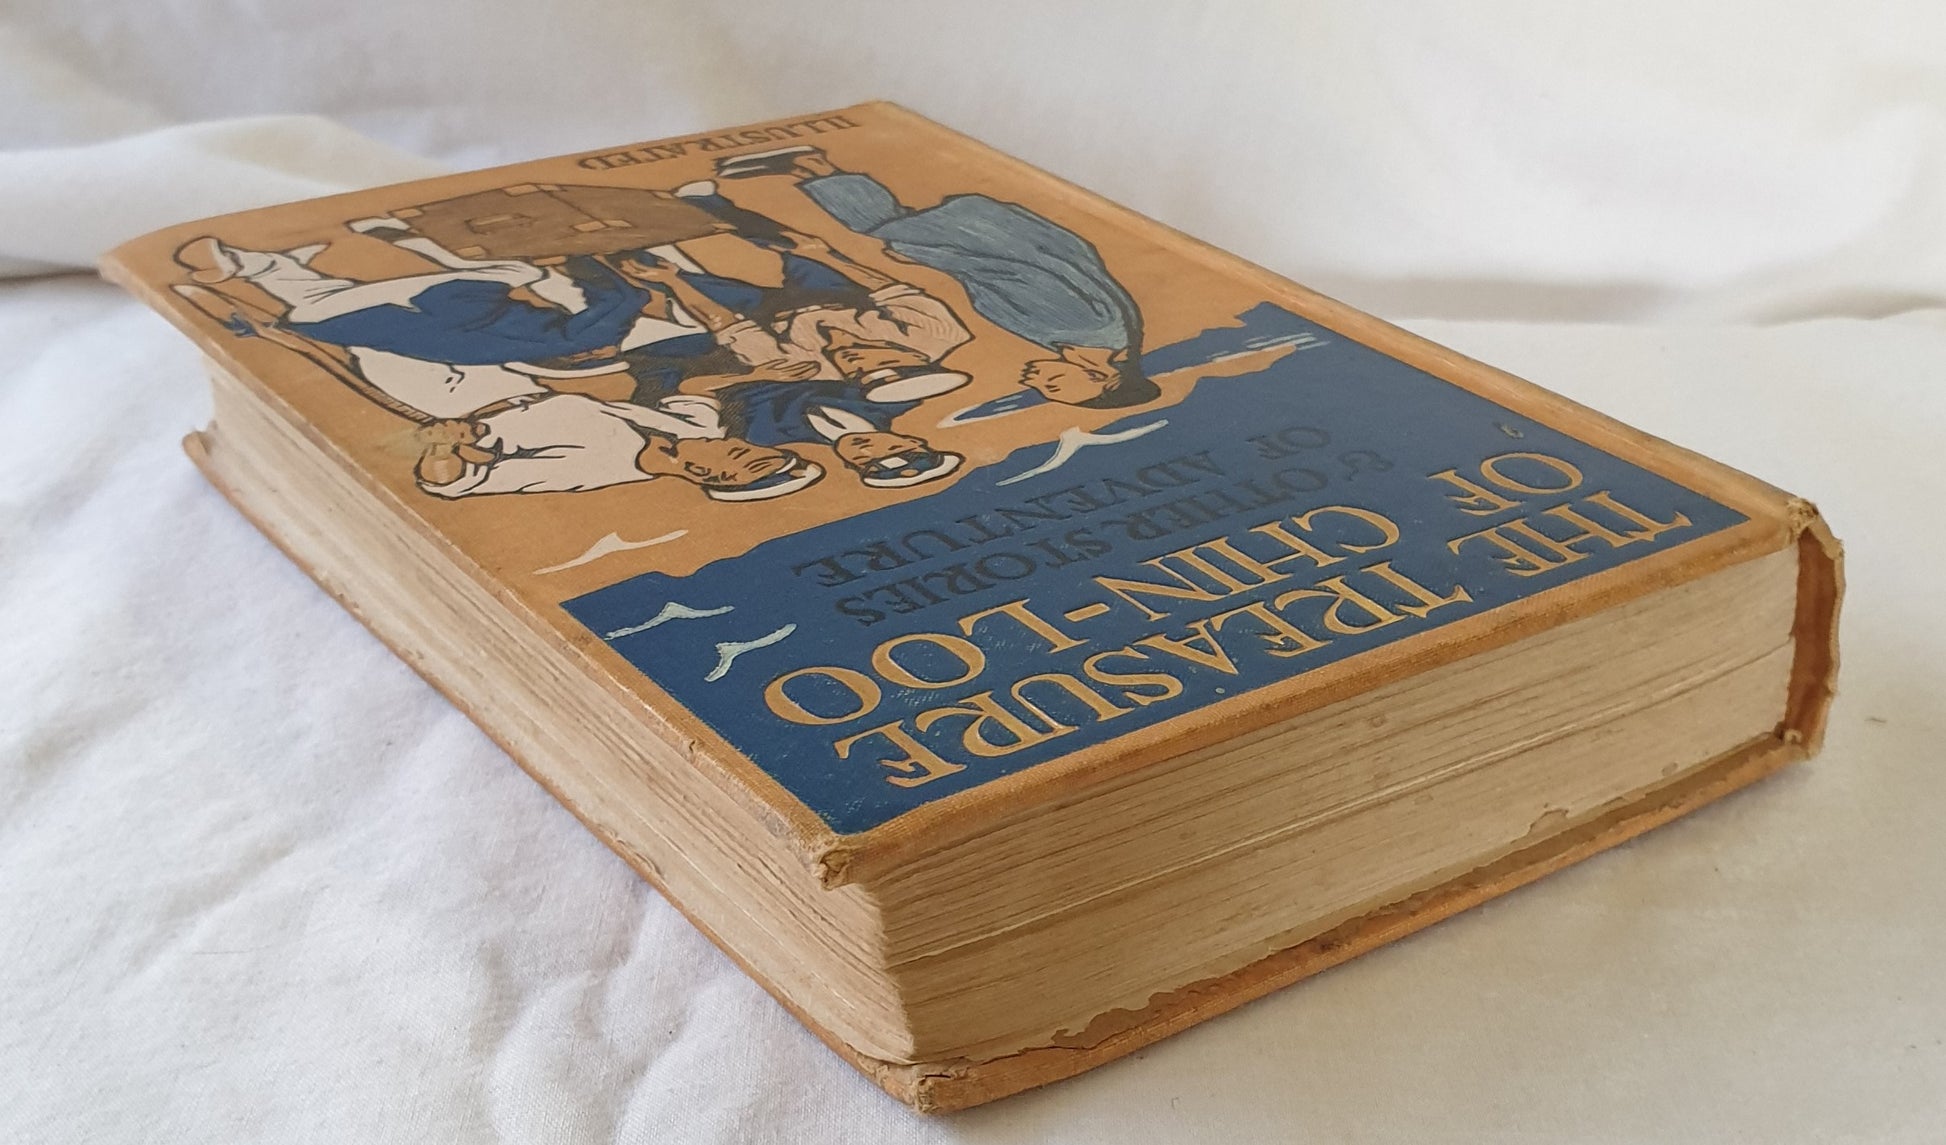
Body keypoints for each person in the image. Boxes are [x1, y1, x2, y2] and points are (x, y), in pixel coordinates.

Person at [716, 145, 1158, 410]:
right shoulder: (1083, 326)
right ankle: (811, 163)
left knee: (882, 225)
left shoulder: (1073, 341)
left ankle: (806, 168)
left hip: (990, 244)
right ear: (1103, 378)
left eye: (1044, 388)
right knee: (880, 226)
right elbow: (1012, 269)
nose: (1033, 381)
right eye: (1053, 384)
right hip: (995, 239)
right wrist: (928, 256)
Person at [411, 391, 822, 501]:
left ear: (701, 473)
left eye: (737, 453)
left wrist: (442, 447)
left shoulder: (588, 468)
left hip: (449, 398)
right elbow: (697, 394)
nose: (734, 440)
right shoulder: (698, 429)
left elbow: (450, 483)